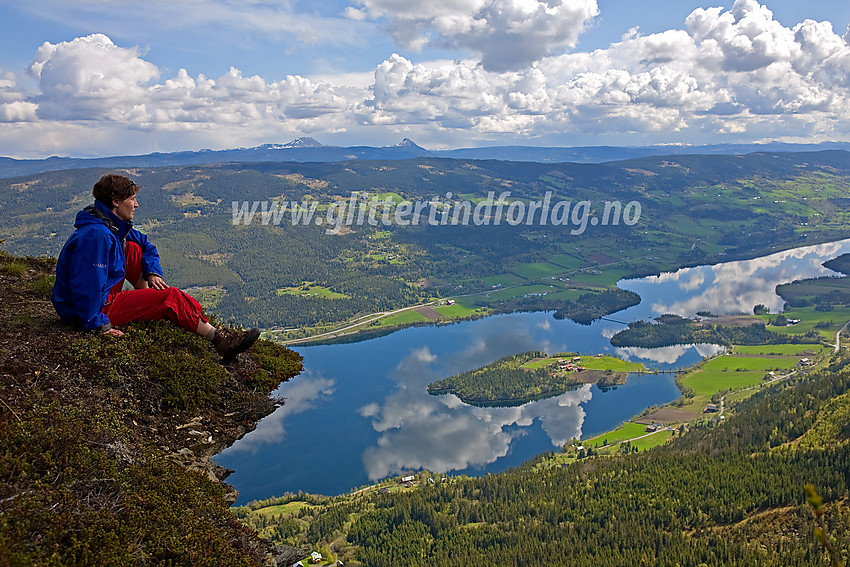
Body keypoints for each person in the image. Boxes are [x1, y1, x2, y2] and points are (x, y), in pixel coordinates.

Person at [52, 173, 259, 363]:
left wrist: (151, 271)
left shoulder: (111, 226)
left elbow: (146, 245)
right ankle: (219, 339)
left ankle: (147, 301)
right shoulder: (97, 236)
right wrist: (99, 325)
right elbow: (86, 287)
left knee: (133, 248)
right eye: (132, 199)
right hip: (89, 310)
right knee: (171, 297)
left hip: (98, 298)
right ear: (116, 202)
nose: (136, 204)